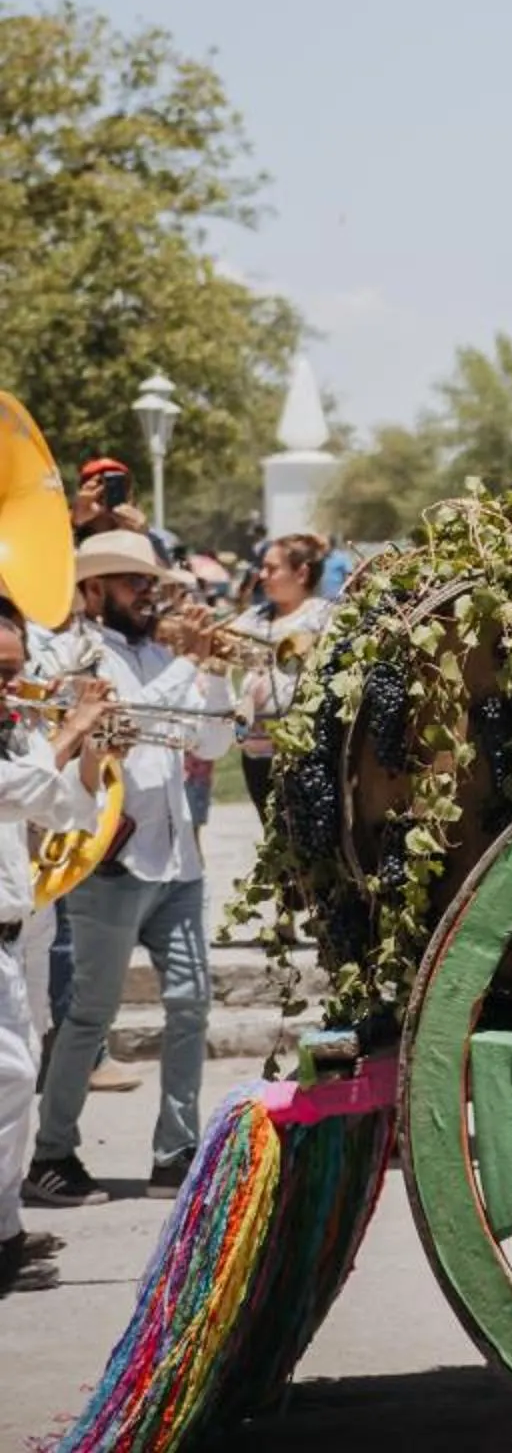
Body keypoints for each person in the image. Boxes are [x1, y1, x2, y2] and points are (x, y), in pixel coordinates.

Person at [24, 532, 233, 1208]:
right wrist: (188, 663)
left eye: (150, 583)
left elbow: (209, 739)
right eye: (131, 582)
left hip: (177, 863)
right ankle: (52, 1153)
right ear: (92, 592)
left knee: (191, 1004)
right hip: (110, 865)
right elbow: (131, 720)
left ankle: (177, 1151)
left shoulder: (156, 650)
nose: (149, 593)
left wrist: (218, 670)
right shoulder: (75, 654)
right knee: (89, 1016)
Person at [0, 611, 104, 1290]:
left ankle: (5, 1235)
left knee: (14, 1089)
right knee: (8, 1081)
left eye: (14, 671)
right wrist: (69, 728)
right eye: (3, 675)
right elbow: (23, 789)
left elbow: (68, 812)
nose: (13, 688)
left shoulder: (16, 742)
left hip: (12, 940)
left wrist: (92, 749)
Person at [229, 534, 332, 824]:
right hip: (256, 753)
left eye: (272, 568)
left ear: (301, 573)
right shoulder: (253, 617)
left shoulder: (325, 618)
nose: (263, 576)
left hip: (301, 754)